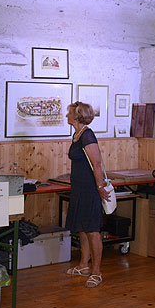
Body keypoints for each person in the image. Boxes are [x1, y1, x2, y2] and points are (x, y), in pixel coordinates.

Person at [65, 101, 111, 288]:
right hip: (78, 189)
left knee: (92, 230)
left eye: (69, 113)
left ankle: (96, 272)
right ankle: (84, 265)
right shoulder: (77, 135)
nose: (66, 115)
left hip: (90, 190)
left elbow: (97, 164)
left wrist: (100, 187)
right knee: (82, 228)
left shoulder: (87, 135)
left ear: (77, 116)